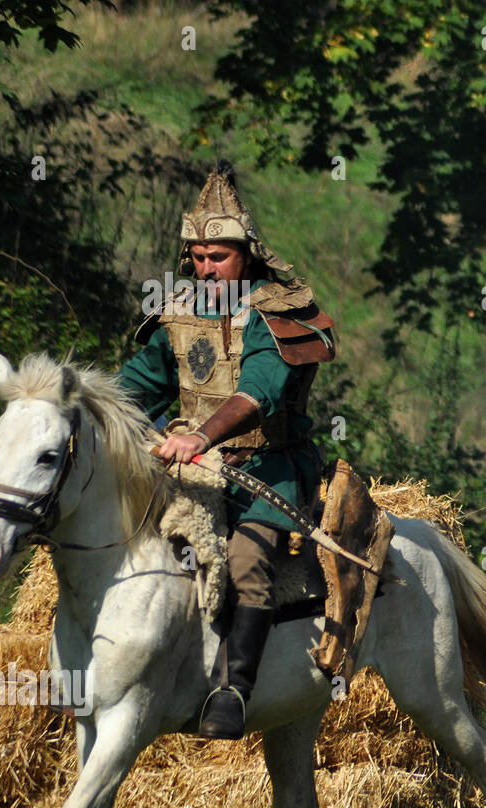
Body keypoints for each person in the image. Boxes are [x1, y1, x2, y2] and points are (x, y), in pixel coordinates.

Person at [117, 160, 334, 738]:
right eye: (199, 256)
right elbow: (138, 385)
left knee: (245, 562)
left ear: (247, 254)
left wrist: (200, 435)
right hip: (193, 472)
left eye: (220, 256)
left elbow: (258, 392)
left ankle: (233, 691)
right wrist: (95, 412)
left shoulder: (273, 310)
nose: (207, 267)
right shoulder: (179, 310)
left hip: (270, 469)